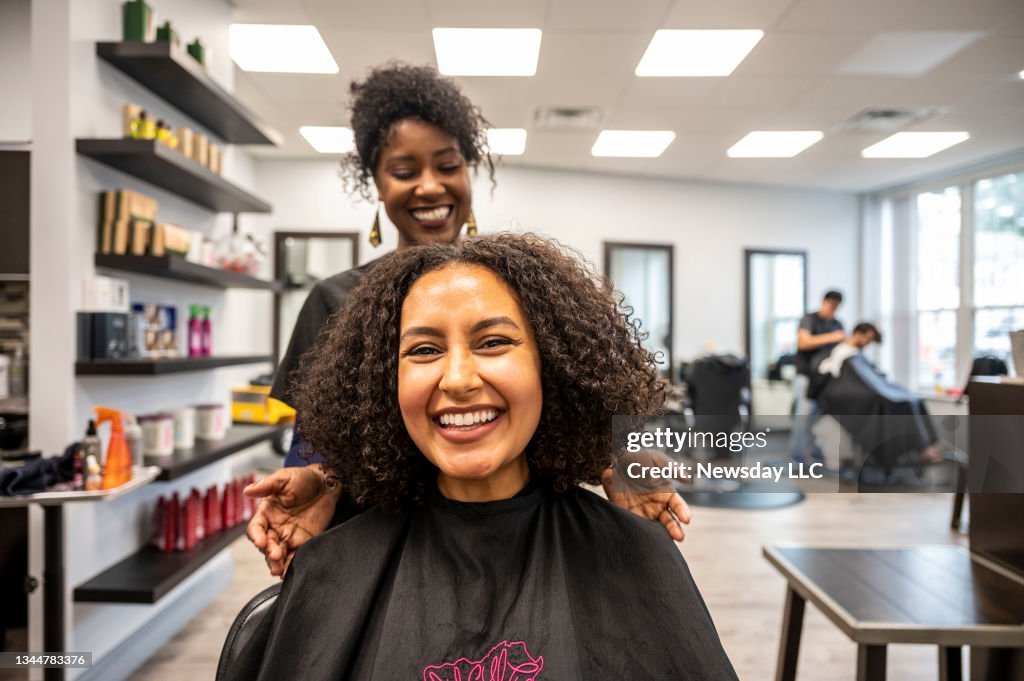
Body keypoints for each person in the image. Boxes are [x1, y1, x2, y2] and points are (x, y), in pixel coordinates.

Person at [225, 234, 738, 681]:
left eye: (493, 342)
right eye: (424, 350)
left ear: (552, 367)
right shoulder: (332, 567)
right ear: (387, 383)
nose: (458, 379)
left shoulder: (629, 554)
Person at [247, 63, 689, 577]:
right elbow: (316, 450)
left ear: (469, 171)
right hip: (380, 556)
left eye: (447, 165)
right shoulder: (334, 302)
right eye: (405, 171)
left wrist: (619, 457)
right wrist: (316, 481)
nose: (430, 187)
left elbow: (576, 402)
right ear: (377, 182)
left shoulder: (519, 290)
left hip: (518, 551)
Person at [789, 290, 845, 462]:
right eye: (830, 305)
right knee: (803, 416)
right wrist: (831, 337)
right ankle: (797, 457)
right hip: (806, 376)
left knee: (817, 418)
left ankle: (813, 450)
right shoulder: (810, 319)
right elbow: (803, 342)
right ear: (823, 302)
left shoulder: (837, 324)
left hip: (824, 379)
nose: (832, 310)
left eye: (836, 307)